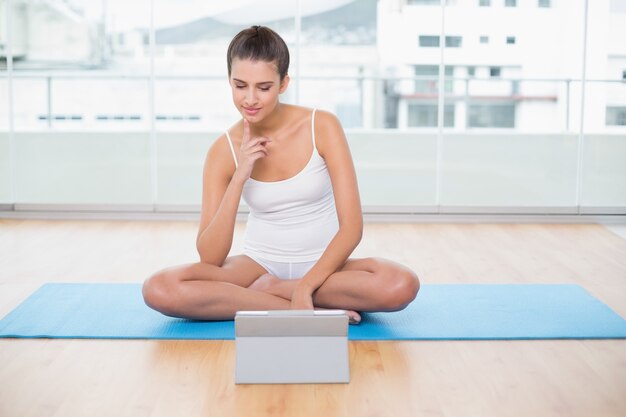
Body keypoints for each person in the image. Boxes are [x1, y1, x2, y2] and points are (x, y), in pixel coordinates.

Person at [142, 25, 419, 324]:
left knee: (400, 284)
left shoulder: (322, 126)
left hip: (327, 269)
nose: (250, 99)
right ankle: (294, 307)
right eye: (240, 85)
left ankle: (280, 292)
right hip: (257, 267)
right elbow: (210, 257)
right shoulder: (223, 151)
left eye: (264, 87)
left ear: (284, 83)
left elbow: (352, 228)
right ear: (229, 81)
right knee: (160, 289)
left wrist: (305, 285)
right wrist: (240, 176)